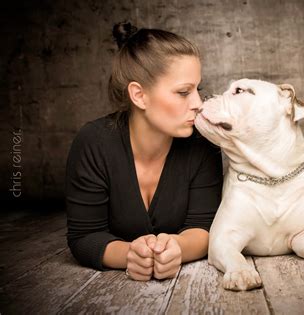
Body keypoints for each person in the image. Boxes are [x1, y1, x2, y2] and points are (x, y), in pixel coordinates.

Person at [64, 22, 223, 282]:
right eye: (184, 92)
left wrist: (177, 249)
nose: (198, 104)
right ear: (139, 95)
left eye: (198, 90)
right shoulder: (93, 142)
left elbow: (204, 227)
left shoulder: (203, 144)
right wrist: (129, 254)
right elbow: (84, 236)